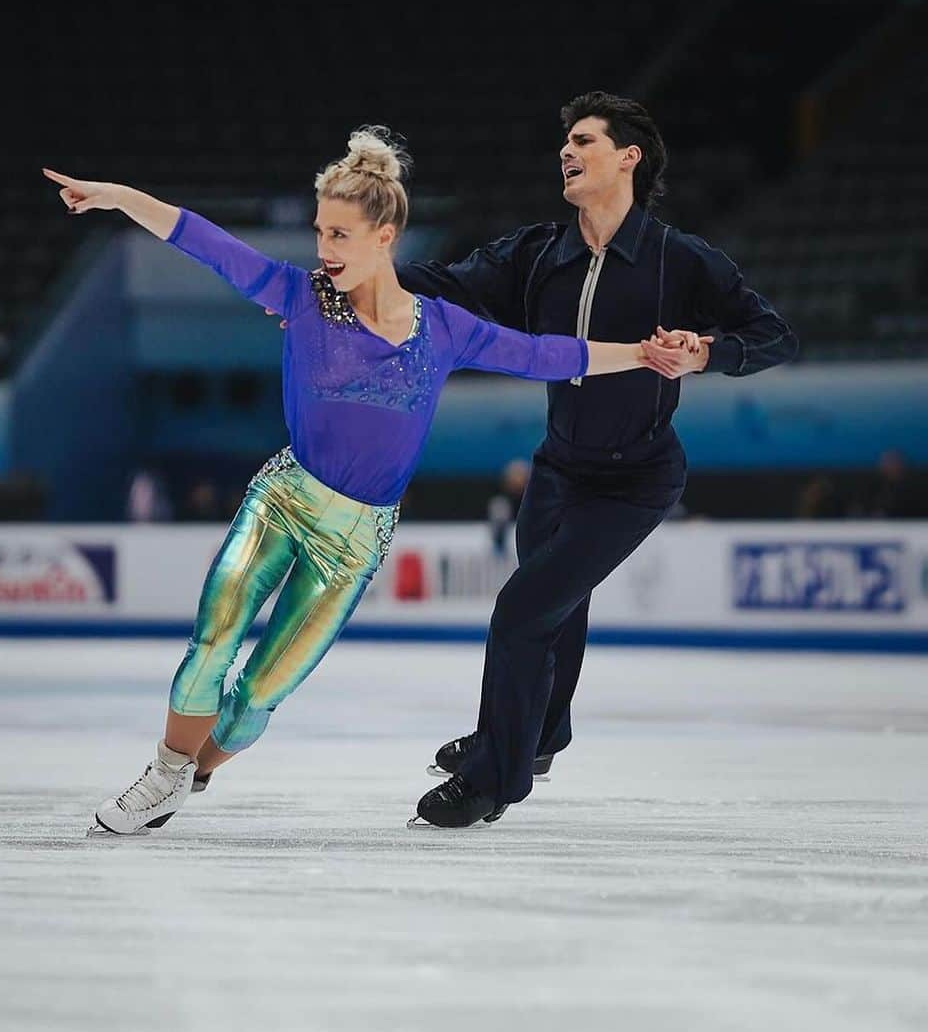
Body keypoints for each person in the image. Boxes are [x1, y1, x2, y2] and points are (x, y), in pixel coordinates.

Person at [41, 128, 692, 836]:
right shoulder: (300, 297)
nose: (324, 249)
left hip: (355, 540)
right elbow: (203, 241)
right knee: (213, 641)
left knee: (258, 695)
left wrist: (642, 354)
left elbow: (545, 354)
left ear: (385, 237)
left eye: (340, 234)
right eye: (321, 231)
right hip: (283, 501)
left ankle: (191, 777)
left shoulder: (443, 328)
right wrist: (114, 197)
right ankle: (161, 776)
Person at [394, 92, 799, 827]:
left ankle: (493, 779)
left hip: (637, 479)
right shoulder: (540, 253)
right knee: (555, 611)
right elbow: (450, 283)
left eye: (583, 141)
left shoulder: (681, 260)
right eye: (564, 146)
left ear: (629, 157)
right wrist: (359, 279)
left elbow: (773, 334)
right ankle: (541, 732)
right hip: (558, 469)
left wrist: (709, 352)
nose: (567, 154)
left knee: (522, 612)